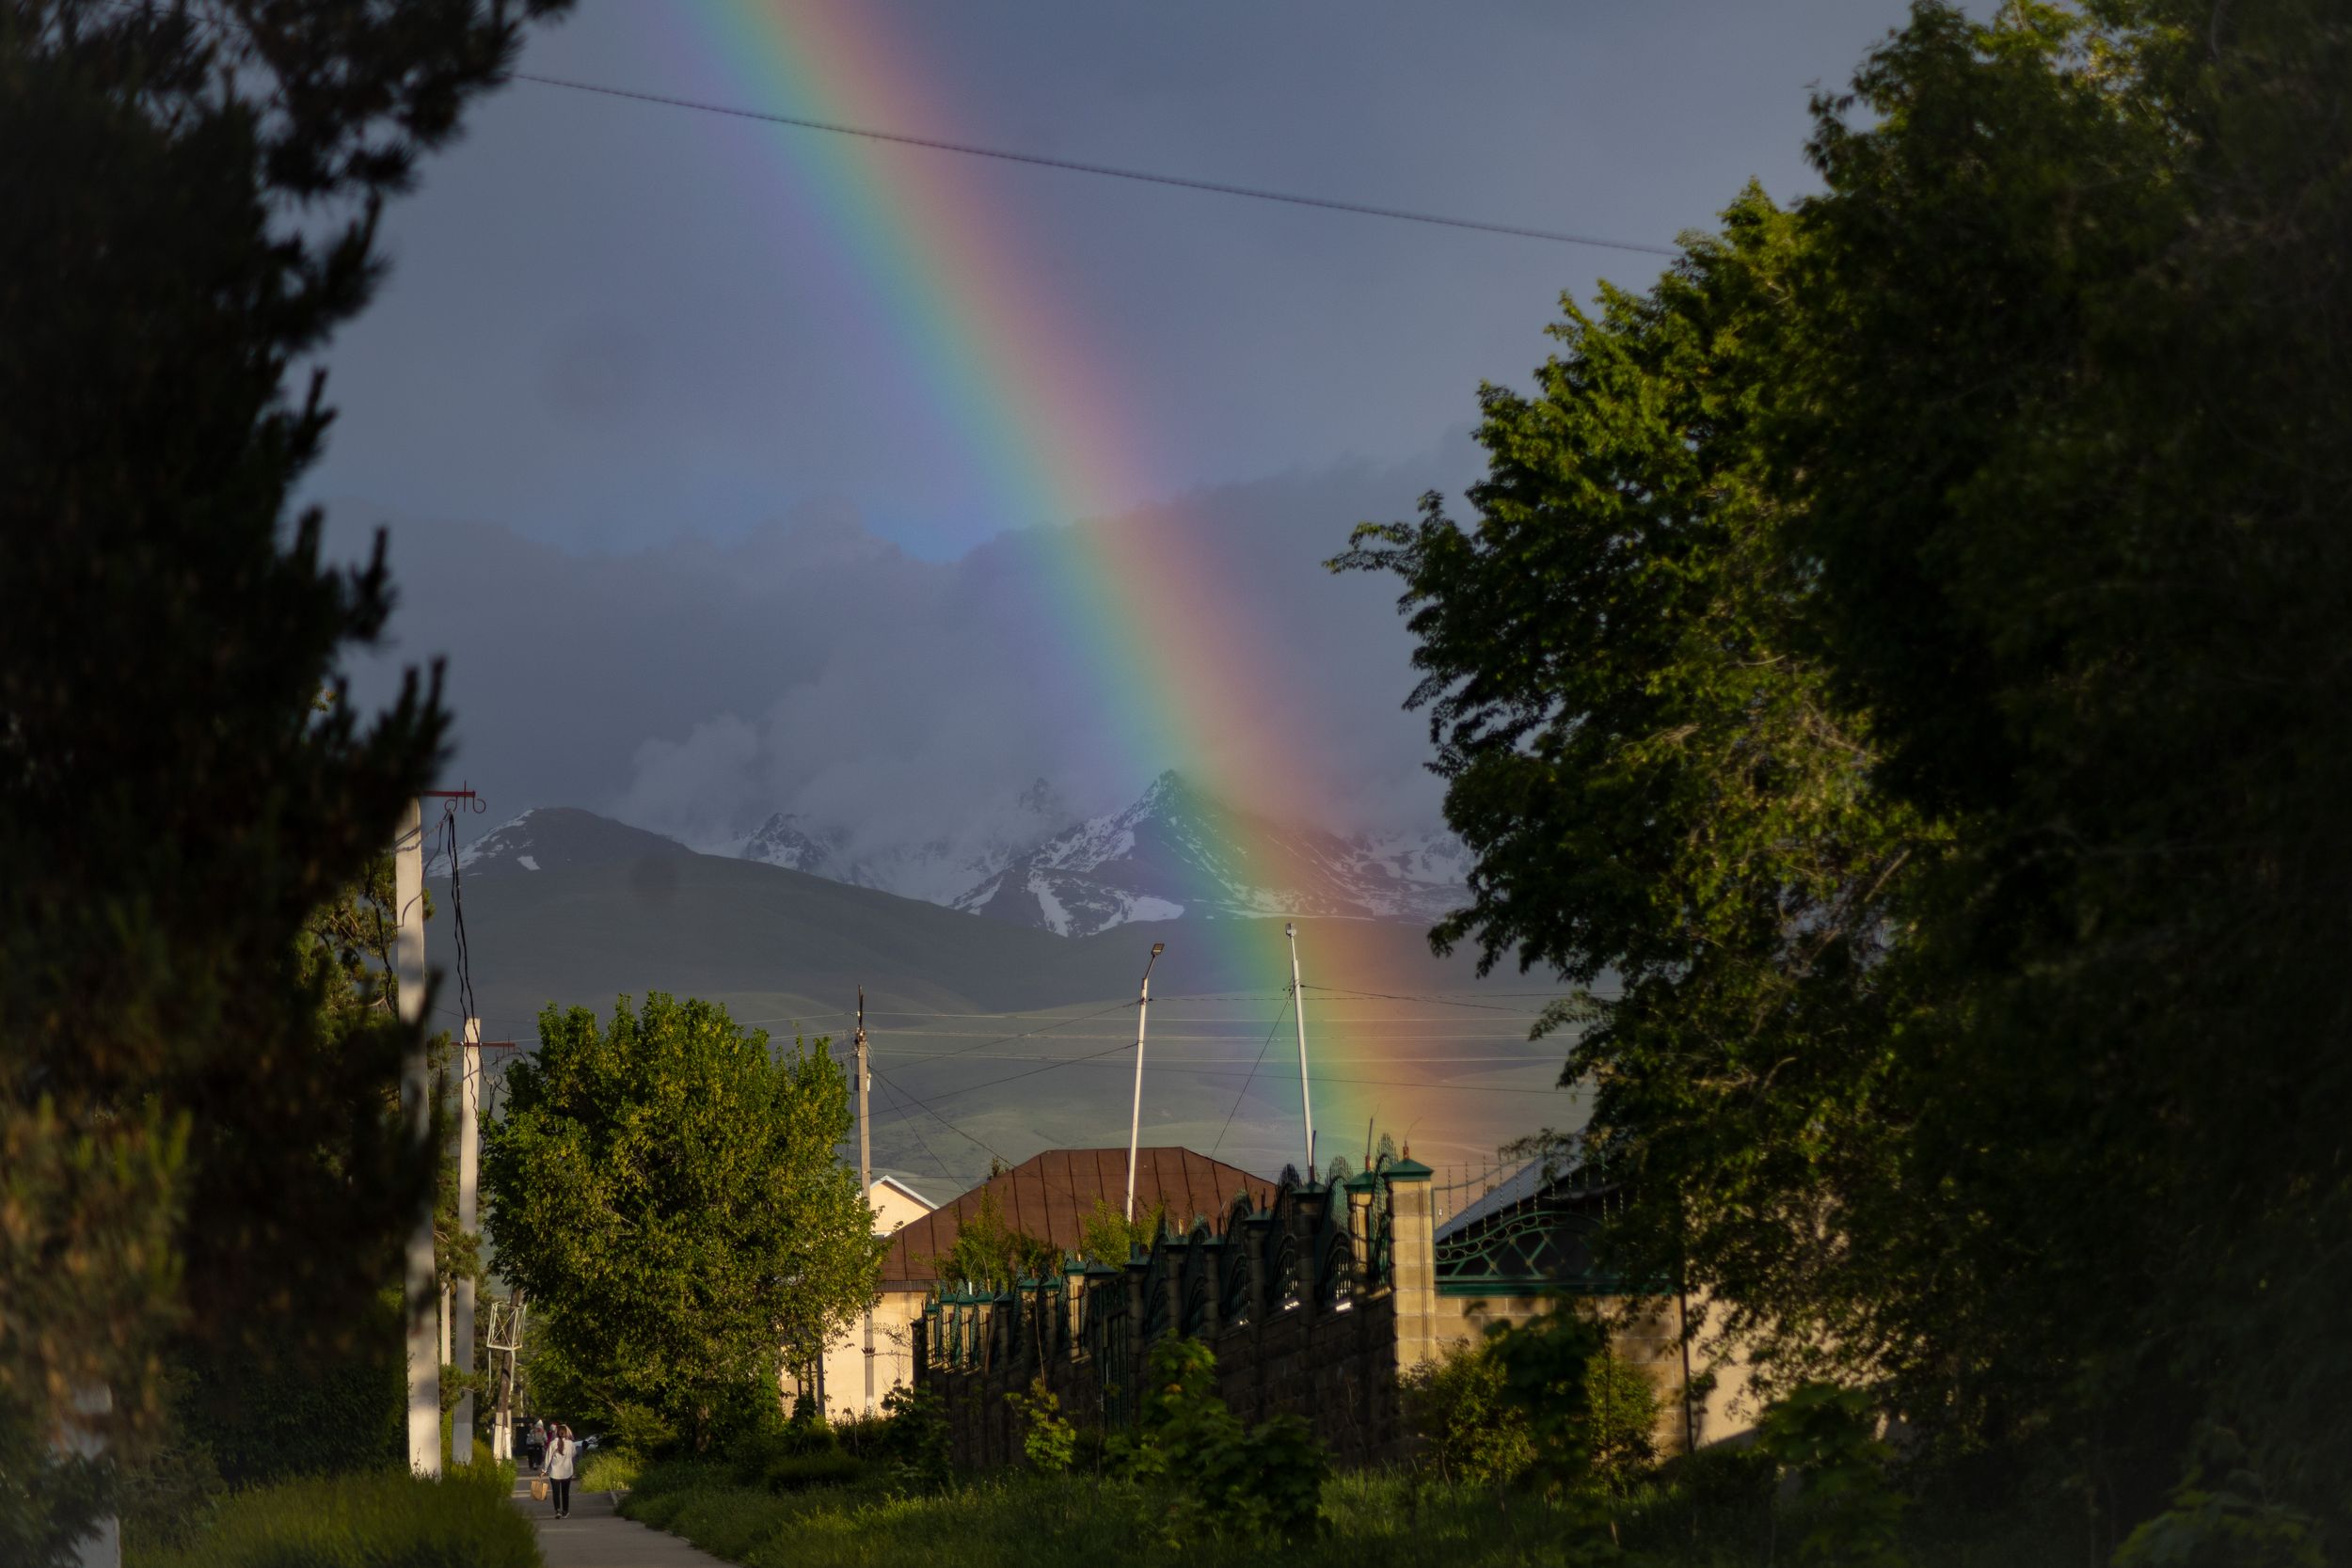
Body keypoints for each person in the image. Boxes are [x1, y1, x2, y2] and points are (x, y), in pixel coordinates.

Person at [545, 1422, 575, 1518]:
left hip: (555, 1473)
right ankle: (565, 1512)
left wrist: (544, 1470)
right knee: (565, 1493)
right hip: (567, 1472)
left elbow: (548, 1457)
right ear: (566, 1433)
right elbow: (573, 1454)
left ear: (557, 1433)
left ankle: (557, 1511)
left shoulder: (553, 1443)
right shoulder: (570, 1444)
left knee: (556, 1493)